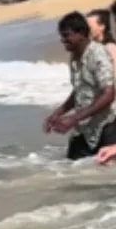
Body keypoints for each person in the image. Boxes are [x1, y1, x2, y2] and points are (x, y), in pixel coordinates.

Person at [44, 11, 116, 160]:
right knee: (69, 168)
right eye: (61, 36)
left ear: (81, 34)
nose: (63, 40)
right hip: (84, 126)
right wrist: (57, 113)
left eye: (66, 35)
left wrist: (74, 118)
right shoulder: (75, 56)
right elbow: (79, 90)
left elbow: (108, 94)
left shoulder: (98, 54)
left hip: (106, 125)